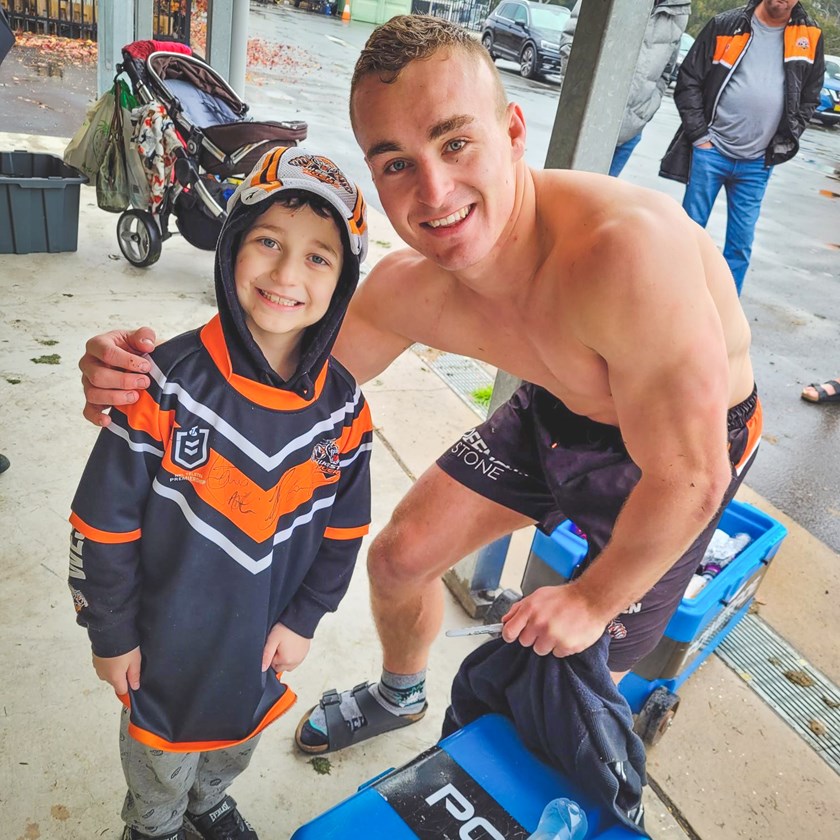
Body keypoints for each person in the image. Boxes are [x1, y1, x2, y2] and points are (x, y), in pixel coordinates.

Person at [78, 16, 760, 759]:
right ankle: (400, 695)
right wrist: (145, 379)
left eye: (456, 142)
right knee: (399, 558)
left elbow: (693, 474)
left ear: (514, 131)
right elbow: (260, 379)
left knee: (574, 669)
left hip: (682, 447)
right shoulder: (412, 289)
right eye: (396, 162)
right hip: (557, 407)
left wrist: (593, 599)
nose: (434, 192)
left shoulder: (625, 255)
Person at [68, 146, 373, 839]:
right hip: (162, 645)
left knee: (235, 741)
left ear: (343, 281)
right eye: (268, 241)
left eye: (319, 257)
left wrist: (304, 619)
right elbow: (101, 525)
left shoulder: (345, 410)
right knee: (157, 762)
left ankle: (208, 806)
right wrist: (109, 633)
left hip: (259, 645)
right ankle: (155, 826)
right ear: (231, 243)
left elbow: (346, 530)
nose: (287, 274)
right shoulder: (163, 386)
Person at [660, 0, 824, 295]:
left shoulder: (810, 36)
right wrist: (700, 138)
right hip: (711, 153)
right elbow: (689, 80)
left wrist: (785, 138)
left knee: (740, 246)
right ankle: (676, 302)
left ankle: (725, 315)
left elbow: (810, 96)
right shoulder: (726, 25)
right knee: (688, 236)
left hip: (758, 163)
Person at [558, 0, 690, 177]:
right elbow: (571, 41)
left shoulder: (679, 10)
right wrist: (577, 96)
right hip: (587, 122)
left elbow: (666, 71)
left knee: (600, 201)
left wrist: (646, 110)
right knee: (565, 196)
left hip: (631, 129)